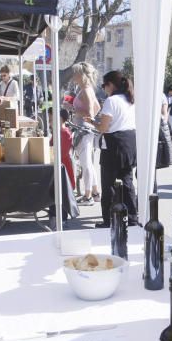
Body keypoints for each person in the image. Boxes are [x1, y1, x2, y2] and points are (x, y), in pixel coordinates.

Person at [94, 70, 138, 227]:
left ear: (110, 85)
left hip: (113, 145)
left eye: (104, 85)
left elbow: (103, 128)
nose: (104, 88)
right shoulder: (130, 99)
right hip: (130, 143)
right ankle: (132, 218)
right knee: (127, 183)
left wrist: (93, 123)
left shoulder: (111, 101)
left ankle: (109, 219)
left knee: (108, 185)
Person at [69, 62, 101, 204]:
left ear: (81, 75)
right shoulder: (87, 89)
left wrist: (71, 108)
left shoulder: (86, 90)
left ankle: (88, 195)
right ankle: (94, 192)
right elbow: (97, 107)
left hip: (83, 129)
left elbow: (90, 112)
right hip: (85, 129)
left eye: (75, 73)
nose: (73, 76)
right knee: (88, 162)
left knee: (85, 163)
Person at [54, 108, 77, 189]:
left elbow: (63, 152)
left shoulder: (65, 133)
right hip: (60, 161)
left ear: (60, 118)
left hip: (63, 163)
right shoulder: (58, 131)